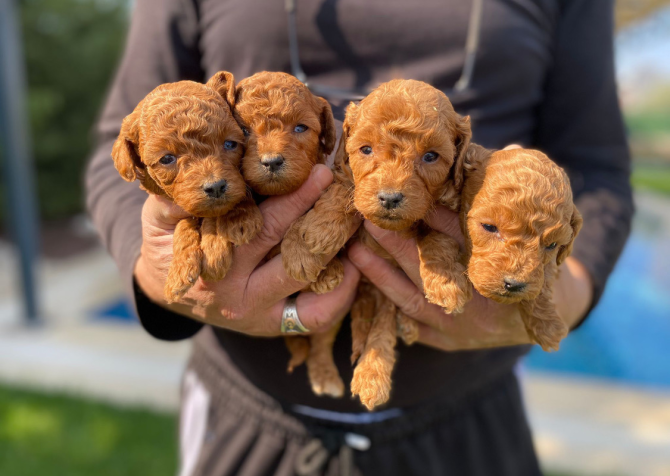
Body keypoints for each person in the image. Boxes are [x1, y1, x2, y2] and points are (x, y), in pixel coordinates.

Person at [86, 0, 633, 474]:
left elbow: (595, 166)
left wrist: (566, 289)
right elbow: (127, 133)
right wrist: (153, 270)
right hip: (248, 406)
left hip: (469, 409)